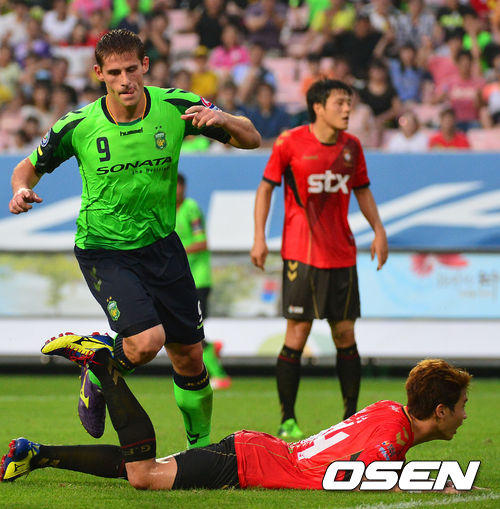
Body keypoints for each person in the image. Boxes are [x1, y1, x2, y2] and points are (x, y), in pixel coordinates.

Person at [8, 29, 260, 449]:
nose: (125, 81)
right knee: (146, 342)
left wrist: (225, 120)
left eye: (131, 69)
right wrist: (20, 190)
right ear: (98, 74)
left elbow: (251, 138)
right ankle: (98, 372)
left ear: (145, 66)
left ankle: (199, 452)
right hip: (104, 250)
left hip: (162, 247)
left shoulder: (176, 107)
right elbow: (26, 169)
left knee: (190, 357)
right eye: (114, 73)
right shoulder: (79, 125)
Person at [1, 348, 473, 494]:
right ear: (440, 411)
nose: (466, 415)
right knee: (145, 476)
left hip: (258, 450)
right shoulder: (393, 438)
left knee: (139, 468)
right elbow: (364, 476)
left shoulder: (390, 411)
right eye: (462, 405)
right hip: (250, 464)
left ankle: (35, 454)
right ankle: (105, 371)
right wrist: (431, 485)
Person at [250, 79, 388, 440]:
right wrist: (259, 237)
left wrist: (378, 230)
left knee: (345, 333)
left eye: (349, 103)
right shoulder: (289, 142)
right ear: (318, 107)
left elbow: (363, 191)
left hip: (342, 254)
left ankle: (351, 418)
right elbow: (265, 189)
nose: (347, 109)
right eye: (340, 103)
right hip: (302, 254)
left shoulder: (352, 147)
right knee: (298, 332)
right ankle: (288, 419)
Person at [175, 173, 231, 390]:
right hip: (181, 280)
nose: (175, 190)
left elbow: (202, 243)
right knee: (187, 331)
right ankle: (212, 349)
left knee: (192, 332)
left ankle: (220, 375)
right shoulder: (167, 210)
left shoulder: (191, 209)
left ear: (184, 188)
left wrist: (176, 251)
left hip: (198, 280)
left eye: (179, 186)